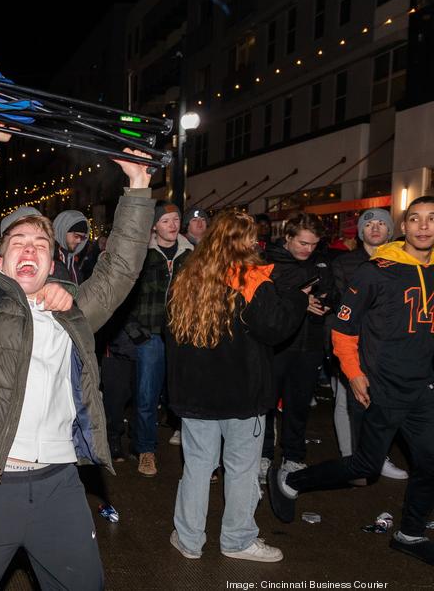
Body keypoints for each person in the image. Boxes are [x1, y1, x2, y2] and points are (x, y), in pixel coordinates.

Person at [0, 126, 153, 591]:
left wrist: (137, 186)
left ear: (53, 263)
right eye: (18, 242)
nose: (30, 248)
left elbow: (120, 270)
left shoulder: (73, 313)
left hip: (60, 489)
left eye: (41, 245)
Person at [269, 196, 434, 566]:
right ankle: (292, 482)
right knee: (364, 466)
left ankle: (410, 533)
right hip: (383, 385)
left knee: (430, 461)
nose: (424, 226)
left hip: (423, 387)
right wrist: (355, 374)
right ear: (403, 227)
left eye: (432, 219)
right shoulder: (376, 270)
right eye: (415, 219)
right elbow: (344, 328)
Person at [167, 211, 307, 563]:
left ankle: (188, 539)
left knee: (198, 465)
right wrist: (298, 299)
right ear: (244, 242)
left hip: (197, 394)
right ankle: (238, 540)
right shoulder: (251, 280)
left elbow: (169, 335)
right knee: (242, 468)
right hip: (243, 394)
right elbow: (275, 328)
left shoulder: (187, 277)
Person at [329, 208, 407, 481]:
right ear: (361, 231)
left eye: (381, 224)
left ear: (390, 231)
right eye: (369, 224)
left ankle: (377, 456)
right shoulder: (345, 264)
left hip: (390, 347)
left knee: (385, 404)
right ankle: (352, 460)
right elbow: (341, 311)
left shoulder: (403, 261)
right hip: (353, 345)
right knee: (348, 403)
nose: (375, 228)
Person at [121, 201, 194, 476]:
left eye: (176, 219)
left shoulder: (191, 254)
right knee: (146, 397)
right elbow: (124, 296)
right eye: (166, 221)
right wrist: (136, 333)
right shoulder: (142, 255)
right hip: (149, 336)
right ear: (154, 225)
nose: (172, 225)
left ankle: (196, 456)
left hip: (182, 338)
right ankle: (146, 450)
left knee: (185, 396)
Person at [260, 212, 331, 482]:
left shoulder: (322, 262)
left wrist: (323, 303)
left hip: (309, 344)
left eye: (313, 245)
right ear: (288, 238)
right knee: (265, 403)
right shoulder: (268, 262)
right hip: (277, 345)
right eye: (303, 243)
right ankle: (264, 455)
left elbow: (333, 292)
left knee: (298, 405)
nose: (308, 249)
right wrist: (299, 301)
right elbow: (264, 301)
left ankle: (294, 457)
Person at [51, 209, 90, 284]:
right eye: (76, 236)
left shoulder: (72, 261)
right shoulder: (48, 257)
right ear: (63, 231)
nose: (79, 241)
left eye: (82, 238)